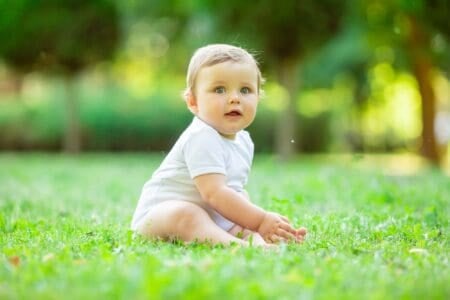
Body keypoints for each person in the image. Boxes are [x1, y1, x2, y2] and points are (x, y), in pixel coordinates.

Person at [131, 44, 307, 248]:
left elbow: (230, 193)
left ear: (258, 97)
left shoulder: (244, 140)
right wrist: (260, 220)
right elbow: (214, 194)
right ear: (193, 102)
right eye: (219, 89)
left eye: (245, 90)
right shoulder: (201, 136)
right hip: (159, 221)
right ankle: (236, 246)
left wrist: (258, 225)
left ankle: (261, 243)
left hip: (210, 217)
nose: (234, 98)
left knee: (241, 198)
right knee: (188, 213)